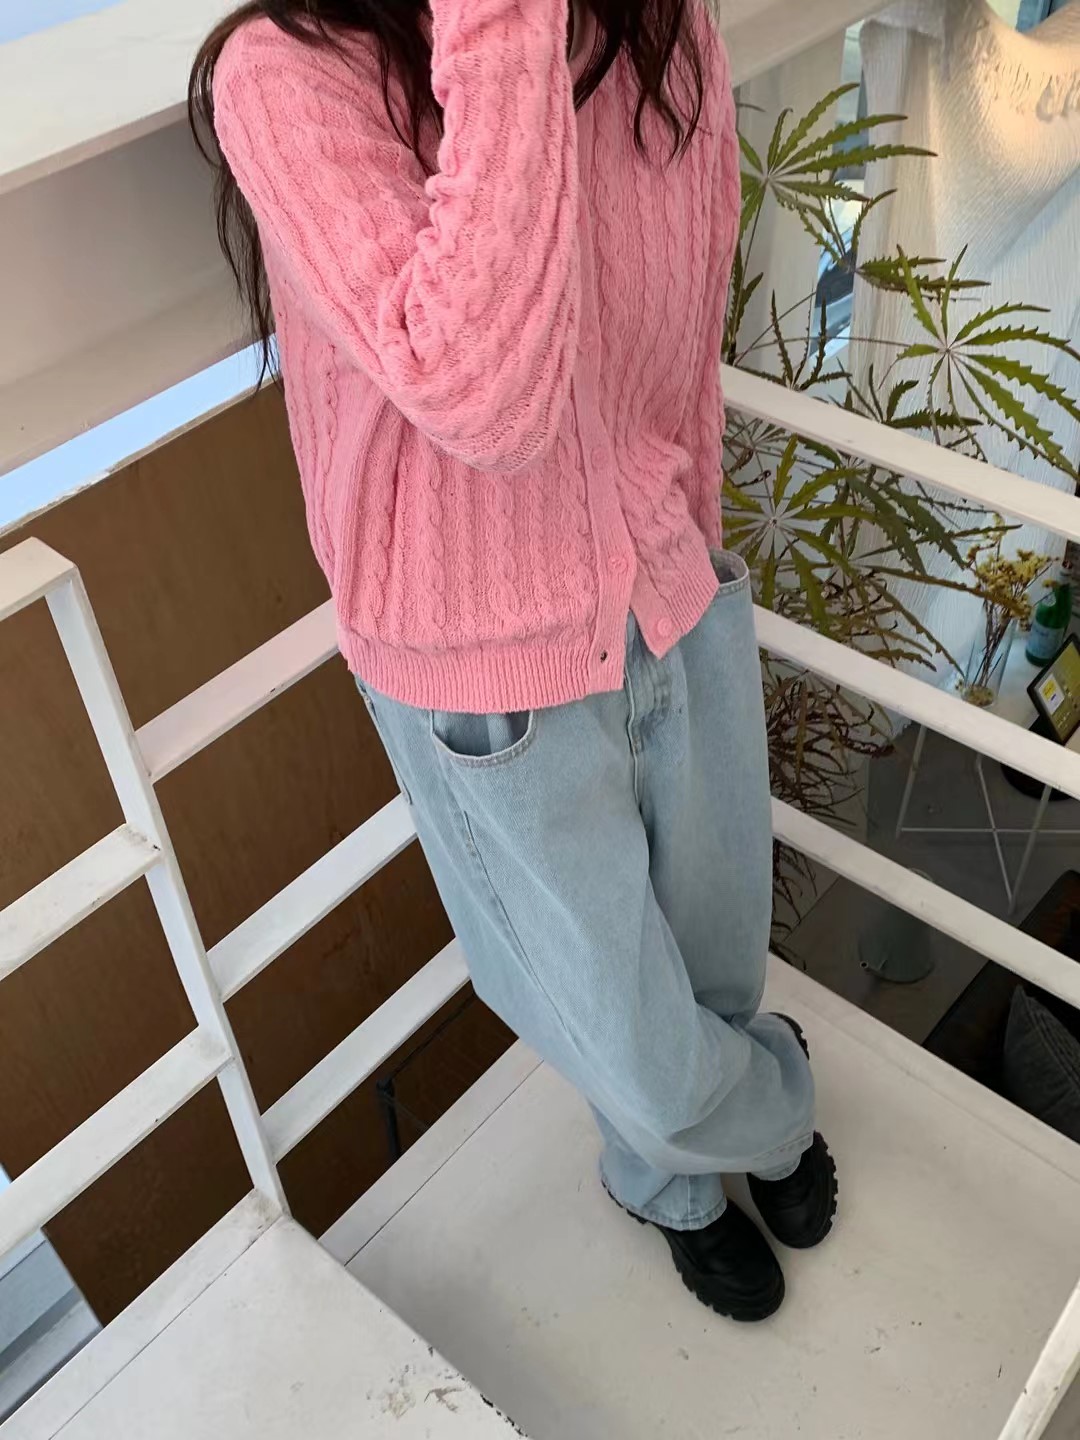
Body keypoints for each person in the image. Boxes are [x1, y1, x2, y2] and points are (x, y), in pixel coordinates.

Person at [190, 0, 836, 1323]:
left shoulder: (649, 24)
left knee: (715, 963)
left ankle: (662, 1183)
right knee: (633, 1040)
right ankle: (768, 1115)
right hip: (482, 672)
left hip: (669, 585)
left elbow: (675, 333)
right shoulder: (285, 73)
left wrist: (692, 556)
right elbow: (488, 396)